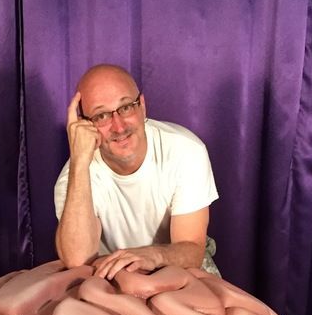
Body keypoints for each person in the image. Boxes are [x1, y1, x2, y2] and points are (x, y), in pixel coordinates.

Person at [54, 64, 219, 280]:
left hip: (176, 267)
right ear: (84, 124)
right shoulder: (73, 177)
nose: (119, 126)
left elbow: (192, 251)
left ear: (142, 106)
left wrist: (151, 256)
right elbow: (77, 260)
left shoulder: (186, 151)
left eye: (125, 108)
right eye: (101, 116)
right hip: (112, 274)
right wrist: (79, 162)